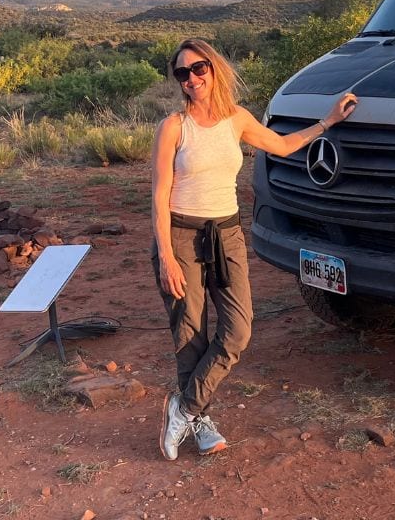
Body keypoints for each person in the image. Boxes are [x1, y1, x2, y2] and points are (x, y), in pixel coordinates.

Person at [151, 38, 357, 460]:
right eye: (181, 74)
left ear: (214, 68)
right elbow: (158, 196)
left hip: (226, 234)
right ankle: (201, 422)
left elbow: (281, 146)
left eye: (198, 69)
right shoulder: (174, 126)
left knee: (238, 330)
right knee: (190, 333)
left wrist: (327, 122)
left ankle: (184, 408)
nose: (191, 79)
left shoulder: (237, 119)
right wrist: (167, 257)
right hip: (180, 236)